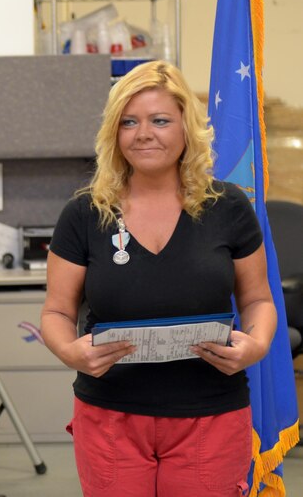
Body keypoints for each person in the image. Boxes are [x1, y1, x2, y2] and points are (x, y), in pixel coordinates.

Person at [40, 60, 276, 497]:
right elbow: (56, 311)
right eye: (129, 122)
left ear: (187, 128)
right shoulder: (84, 214)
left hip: (210, 415)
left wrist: (257, 344)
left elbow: (258, 300)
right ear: (114, 132)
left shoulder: (228, 207)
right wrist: (70, 352)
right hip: (110, 418)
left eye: (160, 120)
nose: (143, 133)